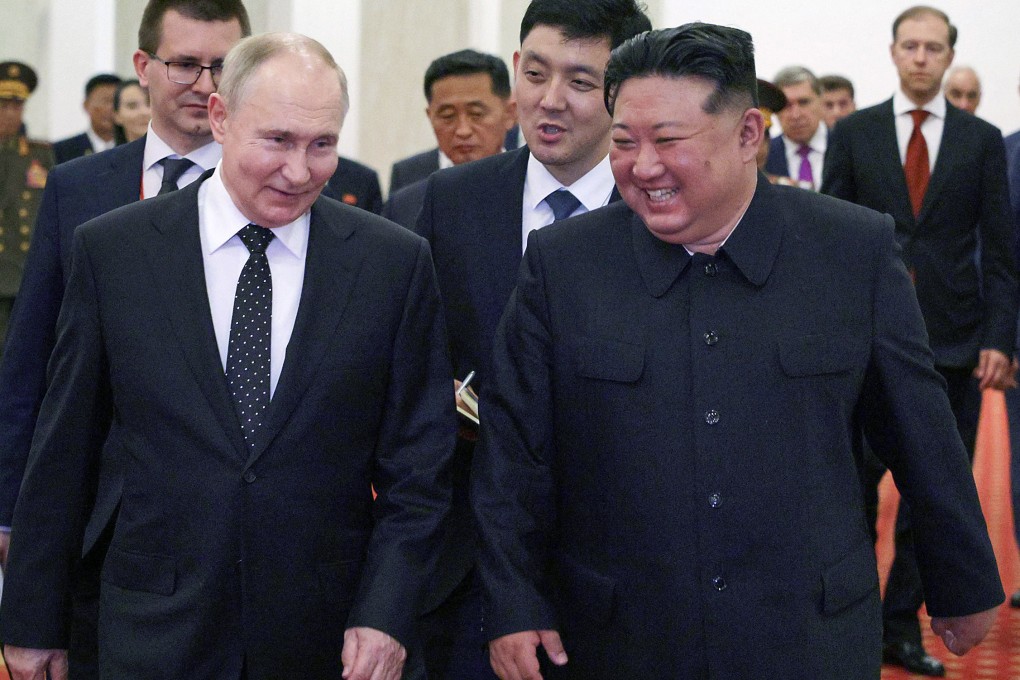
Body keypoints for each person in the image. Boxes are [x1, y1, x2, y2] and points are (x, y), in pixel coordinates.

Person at [471, 22, 1004, 680]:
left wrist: (963, 580)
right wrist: (514, 601)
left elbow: (920, 431)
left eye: (668, 141)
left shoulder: (852, 251)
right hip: (622, 638)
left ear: (750, 134)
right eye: (624, 142)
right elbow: (514, 453)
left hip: (807, 635)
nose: (644, 167)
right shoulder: (565, 265)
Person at [0, 31, 454, 680]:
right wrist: (32, 622)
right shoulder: (115, 252)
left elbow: (420, 466)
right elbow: (64, 448)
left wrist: (386, 612)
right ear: (220, 117)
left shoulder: (392, 264)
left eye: (321, 145)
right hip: (153, 628)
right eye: (277, 141)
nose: (300, 171)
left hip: (325, 638)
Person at [0, 0, 251, 676]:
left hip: (238, 528)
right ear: (143, 68)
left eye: (223, 66)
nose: (205, 84)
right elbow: (32, 367)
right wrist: (9, 516)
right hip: (101, 523)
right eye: (185, 65)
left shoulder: (276, 189)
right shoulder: (78, 189)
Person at [413, 1, 651, 677]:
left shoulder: (658, 209)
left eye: (579, 82)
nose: (549, 102)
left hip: (622, 567)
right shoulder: (450, 201)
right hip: (471, 564)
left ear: (620, 92)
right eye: (535, 73)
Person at [822, 6, 1016, 676]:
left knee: (934, 493)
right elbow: (826, 243)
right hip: (862, 343)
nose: (923, 58)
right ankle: (849, 619)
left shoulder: (982, 139)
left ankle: (900, 625)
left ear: (949, 53)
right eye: (912, 46)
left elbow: (1000, 251)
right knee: (853, 486)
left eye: (935, 48)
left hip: (955, 343)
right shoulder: (854, 132)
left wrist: (1000, 336)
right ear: (894, 51)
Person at [382, 49, 517, 228]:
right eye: (447, 116)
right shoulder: (402, 205)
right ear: (430, 116)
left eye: (476, 114)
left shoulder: (532, 186)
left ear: (510, 114)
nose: (462, 130)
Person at [0, 61, 52, 349]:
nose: (9, 113)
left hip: (25, 277)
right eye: (3, 105)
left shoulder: (40, 156)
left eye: (16, 106)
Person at [766, 65, 826, 188]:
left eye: (804, 102)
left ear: (821, 102)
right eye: (787, 105)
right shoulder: (762, 156)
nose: (796, 115)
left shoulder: (845, 148)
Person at [52, 73, 122, 163]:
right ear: (86, 105)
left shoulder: (134, 148)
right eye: (105, 101)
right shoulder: (61, 150)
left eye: (116, 102)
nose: (111, 108)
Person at [112, 79, 151, 144]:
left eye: (149, 103)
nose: (144, 112)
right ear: (117, 116)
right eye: (132, 106)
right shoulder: (110, 154)